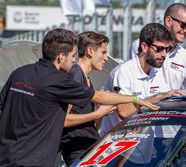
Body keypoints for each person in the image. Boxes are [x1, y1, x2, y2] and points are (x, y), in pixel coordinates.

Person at [0, 28, 159, 167]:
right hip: (35, 160)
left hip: (7, 156)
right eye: (73, 55)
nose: (74, 60)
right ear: (61, 57)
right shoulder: (60, 80)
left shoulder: (19, 73)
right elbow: (99, 97)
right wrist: (135, 99)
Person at [100, 23, 186, 137]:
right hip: (116, 149)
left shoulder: (157, 72)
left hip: (144, 150)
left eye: (167, 49)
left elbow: (164, 104)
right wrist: (157, 97)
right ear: (144, 47)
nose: (164, 54)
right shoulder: (123, 72)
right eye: (159, 49)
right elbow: (124, 111)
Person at [60, 31, 114, 165]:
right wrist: (98, 113)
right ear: (90, 51)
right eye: (103, 52)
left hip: (88, 146)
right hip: (76, 148)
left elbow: (93, 125)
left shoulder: (87, 79)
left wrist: (101, 113)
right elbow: (62, 119)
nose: (106, 58)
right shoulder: (75, 75)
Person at [130, 3, 186, 93]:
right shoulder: (142, 46)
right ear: (168, 21)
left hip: (174, 107)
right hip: (146, 105)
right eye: (184, 25)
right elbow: (136, 82)